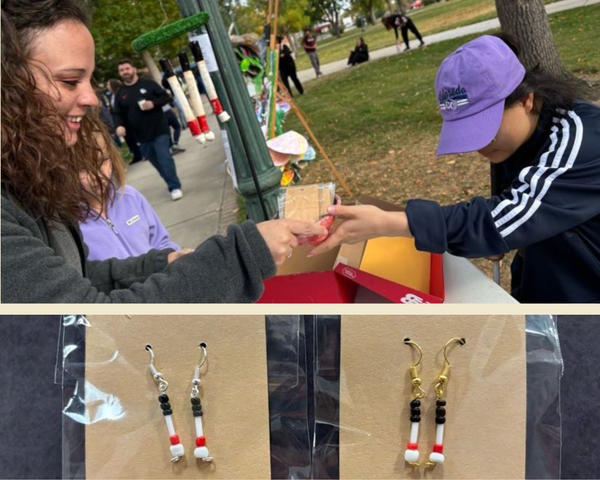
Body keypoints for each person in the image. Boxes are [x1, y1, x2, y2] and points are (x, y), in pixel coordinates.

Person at [1, 0, 327, 303]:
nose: (92, 99)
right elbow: (90, 326)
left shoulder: (27, 184)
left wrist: (164, 261)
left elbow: (81, 277)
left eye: (89, 80)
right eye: (71, 81)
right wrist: (242, 256)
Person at [310, 34, 600, 303]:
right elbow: (508, 215)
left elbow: (507, 216)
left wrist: (392, 222)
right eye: (470, 132)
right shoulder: (515, 139)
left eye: (487, 128)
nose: (481, 146)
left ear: (527, 98)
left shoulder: (580, 141)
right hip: (548, 284)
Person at [79, 134, 192, 261]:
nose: (97, 175)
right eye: (83, 168)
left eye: (102, 162)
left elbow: (161, 242)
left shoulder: (130, 197)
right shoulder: (71, 227)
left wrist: (175, 256)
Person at [113, 58, 184, 201]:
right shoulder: (120, 93)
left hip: (159, 129)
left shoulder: (148, 84)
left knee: (165, 158)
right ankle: (170, 180)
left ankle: (174, 186)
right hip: (140, 136)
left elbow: (166, 97)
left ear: (133, 69)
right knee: (157, 164)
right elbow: (118, 114)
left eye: (127, 68)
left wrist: (153, 103)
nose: (125, 72)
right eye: (121, 70)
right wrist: (119, 126)